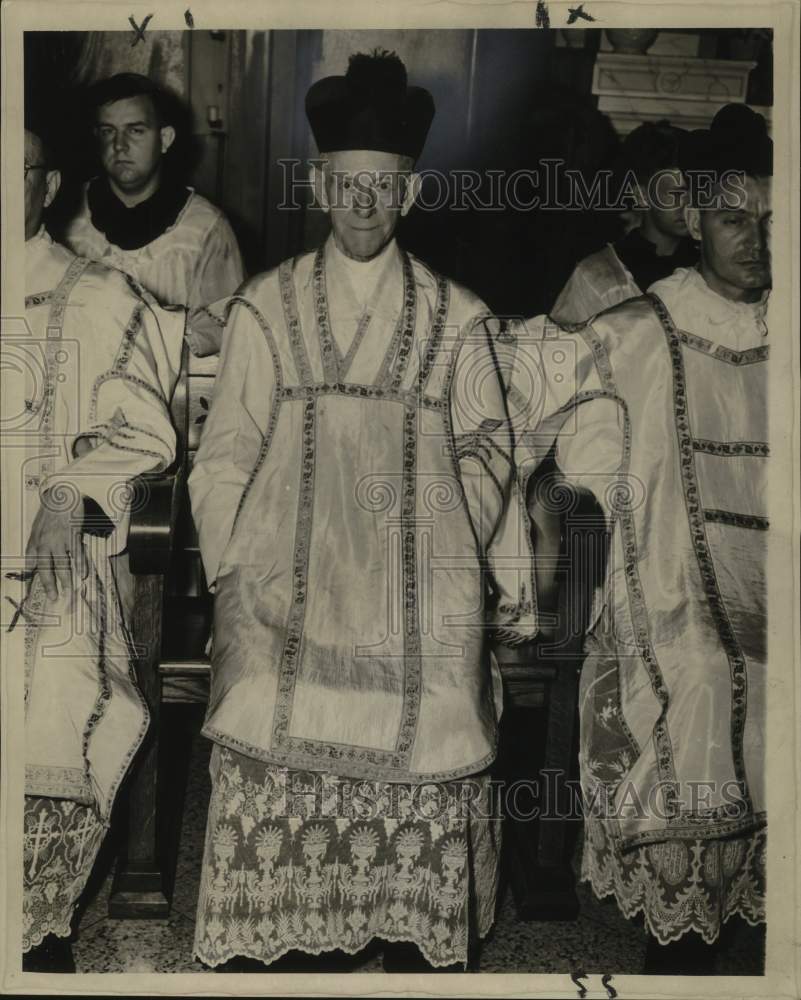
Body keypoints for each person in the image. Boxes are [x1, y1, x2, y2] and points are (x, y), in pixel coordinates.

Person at [188, 50, 535, 974]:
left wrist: (439, 534)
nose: (364, 205)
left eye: (383, 189)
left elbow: (488, 444)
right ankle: (299, 937)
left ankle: (405, 934)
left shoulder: (460, 317)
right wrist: (235, 574)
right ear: (319, 183)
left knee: (443, 699)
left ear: (411, 193)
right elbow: (222, 457)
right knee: (261, 690)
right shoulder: (263, 310)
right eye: (348, 186)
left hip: (417, 589)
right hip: (280, 586)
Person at [506, 103, 771, 974]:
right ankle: (682, 940)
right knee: (700, 673)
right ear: (692, 218)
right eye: (734, 219)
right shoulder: (635, 331)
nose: (756, 240)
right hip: (670, 580)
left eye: (773, 220)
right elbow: (532, 420)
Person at [12, 121, 184, 972]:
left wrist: (67, 491)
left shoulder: (100, 296)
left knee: (54, 690)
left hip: (45, 558)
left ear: (47, 188)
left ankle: (34, 930)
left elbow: (142, 430)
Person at [62, 72, 244, 356]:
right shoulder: (66, 216)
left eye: (135, 130)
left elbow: (228, 329)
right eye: (108, 131)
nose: (119, 145)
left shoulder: (205, 228)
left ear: (165, 139)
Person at [550, 120, 698, 325]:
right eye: (677, 194)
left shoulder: (710, 269)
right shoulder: (597, 275)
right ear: (642, 196)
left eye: (697, 192)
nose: (690, 204)